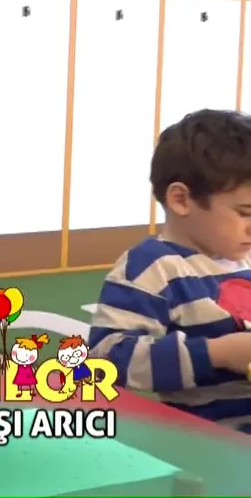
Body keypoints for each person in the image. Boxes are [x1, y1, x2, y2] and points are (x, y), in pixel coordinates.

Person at [88, 109, 251, 433]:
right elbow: (106, 358)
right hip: (212, 441)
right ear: (181, 200)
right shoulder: (153, 268)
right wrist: (215, 354)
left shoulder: (244, 258)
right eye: (245, 212)